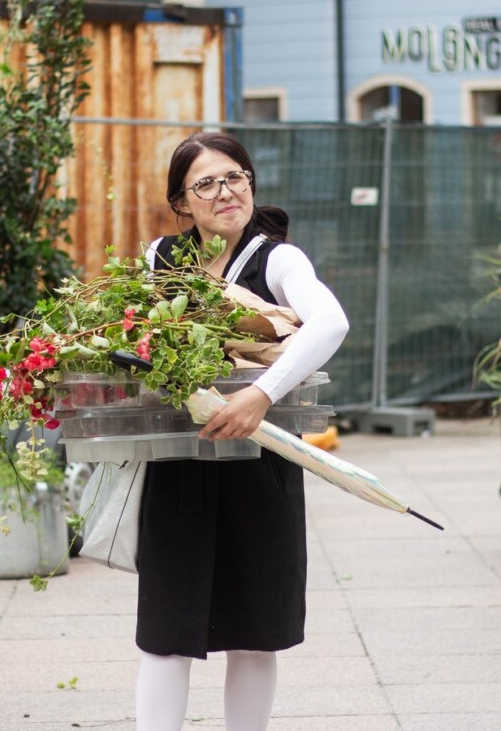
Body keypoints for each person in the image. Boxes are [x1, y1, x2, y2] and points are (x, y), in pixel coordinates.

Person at [135, 132, 349, 731]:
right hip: (182, 461)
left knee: (256, 632)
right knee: (166, 631)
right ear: (182, 201)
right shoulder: (161, 260)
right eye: (206, 183)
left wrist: (261, 394)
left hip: (263, 462)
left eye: (236, 177)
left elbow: (330, 322)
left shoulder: (276, 258)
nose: (225, 192)